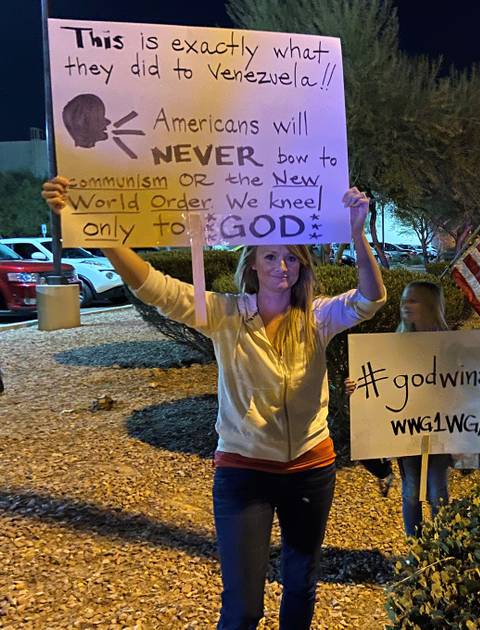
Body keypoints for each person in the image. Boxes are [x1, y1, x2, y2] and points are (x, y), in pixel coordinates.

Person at [42, 176, 386, 630]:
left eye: (291, 258)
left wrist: (357, 234)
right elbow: (155, 288)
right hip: (244, 473)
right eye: (270, 256)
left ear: (302, 266)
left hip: (310, 468)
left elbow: (371, 298)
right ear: (253, 265)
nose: (282, 266)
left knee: (300, 587)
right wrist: (90, 224)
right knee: (244, 608)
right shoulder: (225, 315)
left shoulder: (319, 316)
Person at [347, 281, 452, 536]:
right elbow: (378, 384)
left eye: (413, 300)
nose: (405, 306)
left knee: (438, 491)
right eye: (404, 300)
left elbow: (468, 382)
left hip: (442, 433)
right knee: (411, 490)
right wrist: (356, 387)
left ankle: (444, 547)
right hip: (405, 432)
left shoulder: (450, 344)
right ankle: (415, 548)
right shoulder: (394, 343)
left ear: (430, 306)